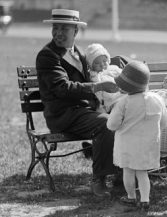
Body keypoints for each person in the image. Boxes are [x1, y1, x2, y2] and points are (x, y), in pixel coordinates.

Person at [36, 9, 122, 197]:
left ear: (75, 31)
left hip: (84, 112)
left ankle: (122, 175)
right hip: (62, 115)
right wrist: (97, 86)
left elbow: (93, 76)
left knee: (122, 119)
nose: (58, 32)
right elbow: (62, 88)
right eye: (55, 28)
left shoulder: (80, 53)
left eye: (64, 28)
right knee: (106, 124)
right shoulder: (47, 56)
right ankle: (99, 179)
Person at [106, 61, 167, 211]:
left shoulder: (123, 103)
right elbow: (164, 121)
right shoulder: (157, 99)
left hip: (127, 145)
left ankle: (131, 197)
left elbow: (111, 125)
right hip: (148, 144)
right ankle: (145, 200)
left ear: (125, 86)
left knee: (128, 171)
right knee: (142, 173)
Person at [85, 43, 123, 113]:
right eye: (97, 63)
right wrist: (101, 110)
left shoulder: (114, 69)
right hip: (112, 105)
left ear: (108, 60)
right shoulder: (94, 77)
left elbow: (125, 78)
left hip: (123, 96)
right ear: (91, 65)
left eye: (104, 61)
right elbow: (97, 95)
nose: (102, 64)